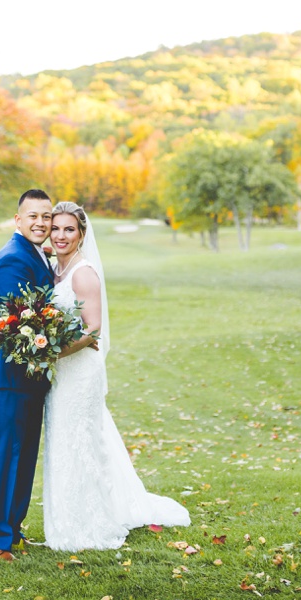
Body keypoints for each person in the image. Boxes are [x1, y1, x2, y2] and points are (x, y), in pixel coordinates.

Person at [40, 201, 190, 550]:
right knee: (64, 442)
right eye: (57, 228)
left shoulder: (83, 273)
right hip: (61, 372)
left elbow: (92, 329)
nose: (61, 236)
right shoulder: (55, 269)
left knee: (79, 442)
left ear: (81, 234)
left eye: (69, 230)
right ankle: (66, 516)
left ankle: (88, 522)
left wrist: (52, 352)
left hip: (78, 371)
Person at [0, 189, 59, 562]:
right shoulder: (13, 258)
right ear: (18, 220)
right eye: (33, 216)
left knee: (24, 455)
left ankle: (12, 528)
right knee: (7, 453)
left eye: (46, 216)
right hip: (6, 374)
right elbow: (17, 322)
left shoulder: (36, 254)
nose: (41, 223)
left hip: (28, 375)